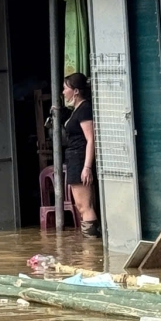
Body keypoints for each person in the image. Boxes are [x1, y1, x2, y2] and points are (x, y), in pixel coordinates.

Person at [61, 72, 99, 238]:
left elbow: (91, 139)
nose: (63, 92)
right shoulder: (76, 109)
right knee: (80, 205)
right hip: (74, 159)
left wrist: (87, 167)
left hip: (80, 158)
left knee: (85, 206)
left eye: (65, 88)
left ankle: (91, 245)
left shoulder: (84, 109)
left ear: (75, 91)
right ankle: (89, 245)